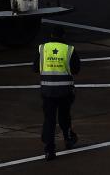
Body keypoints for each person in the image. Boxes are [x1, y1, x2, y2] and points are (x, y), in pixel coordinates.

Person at [32, 26, 80, 161]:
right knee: (64, 117)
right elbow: (76, 69)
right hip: (65, 92)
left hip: (47, 92)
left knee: (49, 120)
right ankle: (68, 139)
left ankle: (49, 150)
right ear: (63, 36)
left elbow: (35, 68)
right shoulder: (69, 49)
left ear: (51, 35)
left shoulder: (42, 49)